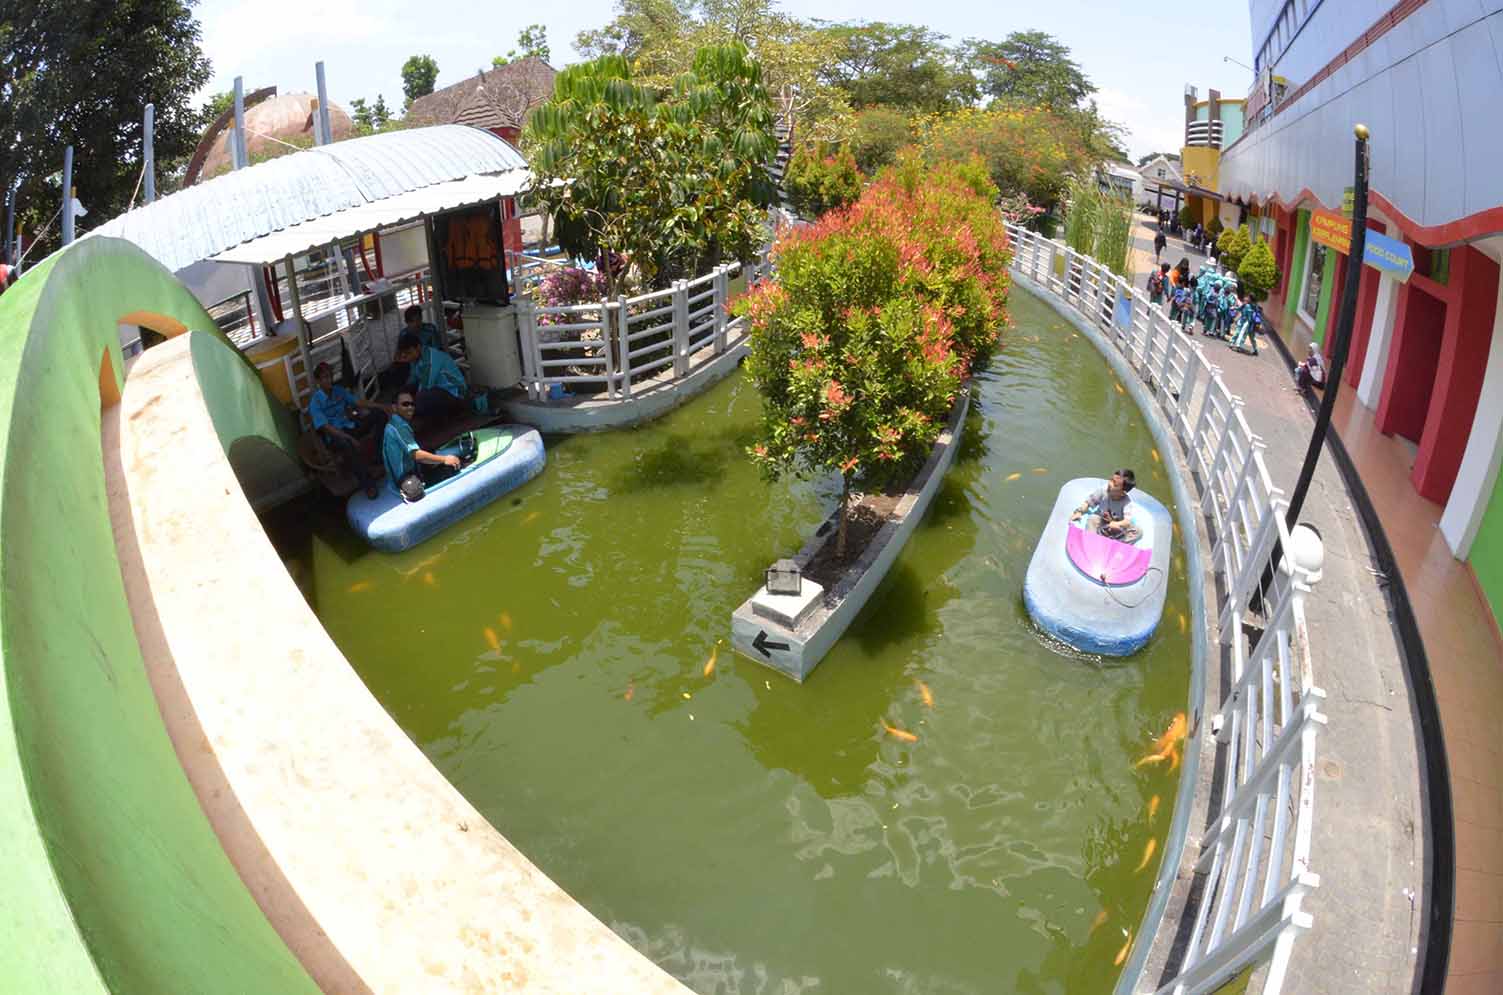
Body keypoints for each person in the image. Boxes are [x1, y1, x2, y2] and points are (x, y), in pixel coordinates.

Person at [308, 361, 390, 498]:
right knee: (347, 444)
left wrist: (383, 406)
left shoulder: (338, 391)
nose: (329, 380)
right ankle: (368, 485)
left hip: (350, 426)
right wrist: (349, 438)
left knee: (379, 415)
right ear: (318, 381)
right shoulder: (315, 403)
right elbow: (327, 428)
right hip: (335, 437)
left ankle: (377, 455)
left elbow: (359, 402)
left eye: (330, 376)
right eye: (325, 377)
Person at [381, 389, 462, 501]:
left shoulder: (395, 423)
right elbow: (415, 454)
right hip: (404, 478)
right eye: (405, 404)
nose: (410, 407)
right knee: (416, 491)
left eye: (412, 404)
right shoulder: (399, 426)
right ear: (395, 408)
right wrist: (444, 459)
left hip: (408, 471)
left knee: (432, 453)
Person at [393, 331, 468, 422]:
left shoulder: (431, 359)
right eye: (405, 353)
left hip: (456, 395)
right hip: (439, 390)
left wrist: (407, 403)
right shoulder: (416, 358)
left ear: (418, 347)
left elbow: (425, 387)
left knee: (422, 398)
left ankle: (452, 413)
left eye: (409, 352)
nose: (407, 356)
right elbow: (413, 380)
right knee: (404, 393)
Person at [1070, 469, 1142, 544]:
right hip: (1101, 524)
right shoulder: (1103, 491)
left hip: (1116, 529)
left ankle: (1118, 544)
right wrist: (1079, 512)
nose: (1109, 484)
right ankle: (1091, 541)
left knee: (1138, 531)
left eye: (1115, 484)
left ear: (1123, 493)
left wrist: (1117, 524)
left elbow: (1127, 521)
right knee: (1092, 518)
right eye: (1111, 480)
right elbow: (1088, 502)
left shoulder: (1126, 503)